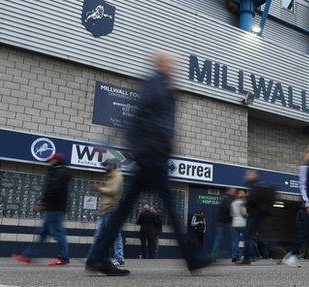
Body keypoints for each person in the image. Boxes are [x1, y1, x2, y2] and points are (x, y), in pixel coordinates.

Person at [85, 53, 213, 276]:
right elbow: (143, 117)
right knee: (171, 209)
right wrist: (158, 145)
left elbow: (140, 117)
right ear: (162, 64)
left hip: (148, 154)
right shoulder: (157, 84)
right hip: (152, 155)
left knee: (124, 210)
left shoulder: (159, 84)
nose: (174, 66)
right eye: (170, 62)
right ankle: (192, 258)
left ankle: (97, 257)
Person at [12, 153, 72, 266]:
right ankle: (28, 256)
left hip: (55, 208)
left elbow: (53, 189)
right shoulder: (61, 172)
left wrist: (43, 204)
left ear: (56, 161)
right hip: (56, 207)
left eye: (51, 160)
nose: (49, 162)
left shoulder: (58, 173)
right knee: (44, 233)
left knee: (58, 234)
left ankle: (63, 258)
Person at [88, 158, 124, 266]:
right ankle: (94, 257)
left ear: (112, 166)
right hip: (106, 211)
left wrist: (99, 188)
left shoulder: (117, 176)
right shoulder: (110, 177)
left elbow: (113, 191)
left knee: (115, 235)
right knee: (99, 235)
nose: (104, 167)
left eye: (106, 165)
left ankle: (119, 258)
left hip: (112, 209)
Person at [236, 169, 275, 265]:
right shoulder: (257, 186)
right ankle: (281, 254)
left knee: (247, 236)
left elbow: (252, 200)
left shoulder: (255, 187)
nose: (246, 176)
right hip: (259, 216)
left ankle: (246, 258)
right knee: (265, 235)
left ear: (254, 175)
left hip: (254, 216)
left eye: (248, 174)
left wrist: (245, 201)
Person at [210, 188, 236, 259]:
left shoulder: (224, 198)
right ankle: (235, 255)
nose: (234, 192)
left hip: (222, 222)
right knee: (233, 239)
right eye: (233, 191)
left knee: (218, 239)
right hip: (227, 222)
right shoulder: (228, 199)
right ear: (229, 191)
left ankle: (214, 255)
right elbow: (229, 209)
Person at [231, 189, 247, 263]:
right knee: (243, 240)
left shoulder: (233, 203)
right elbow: (244, 213)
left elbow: (231, 214)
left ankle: (234, 256)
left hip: (234, 223)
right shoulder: (242, 203)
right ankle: (243, 256)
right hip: (242, 224)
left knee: (235, 241)